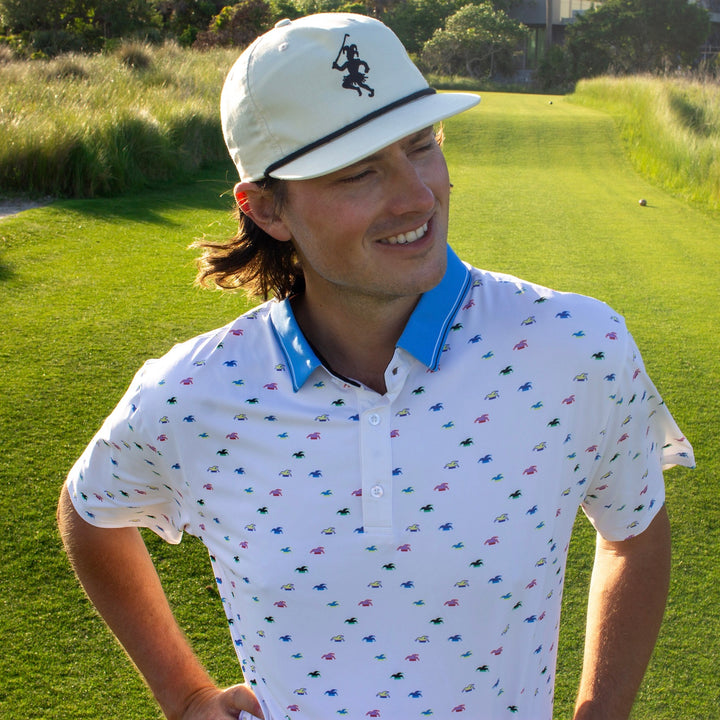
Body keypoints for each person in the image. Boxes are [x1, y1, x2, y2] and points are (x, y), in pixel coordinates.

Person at [57, 12, 694, 720]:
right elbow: (89, 513)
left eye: (422, 145)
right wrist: (184, 695)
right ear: (267, 208)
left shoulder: (577, 347)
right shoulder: (194, 393)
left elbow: (634, 526)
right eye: (360, 172)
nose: (417, 195)